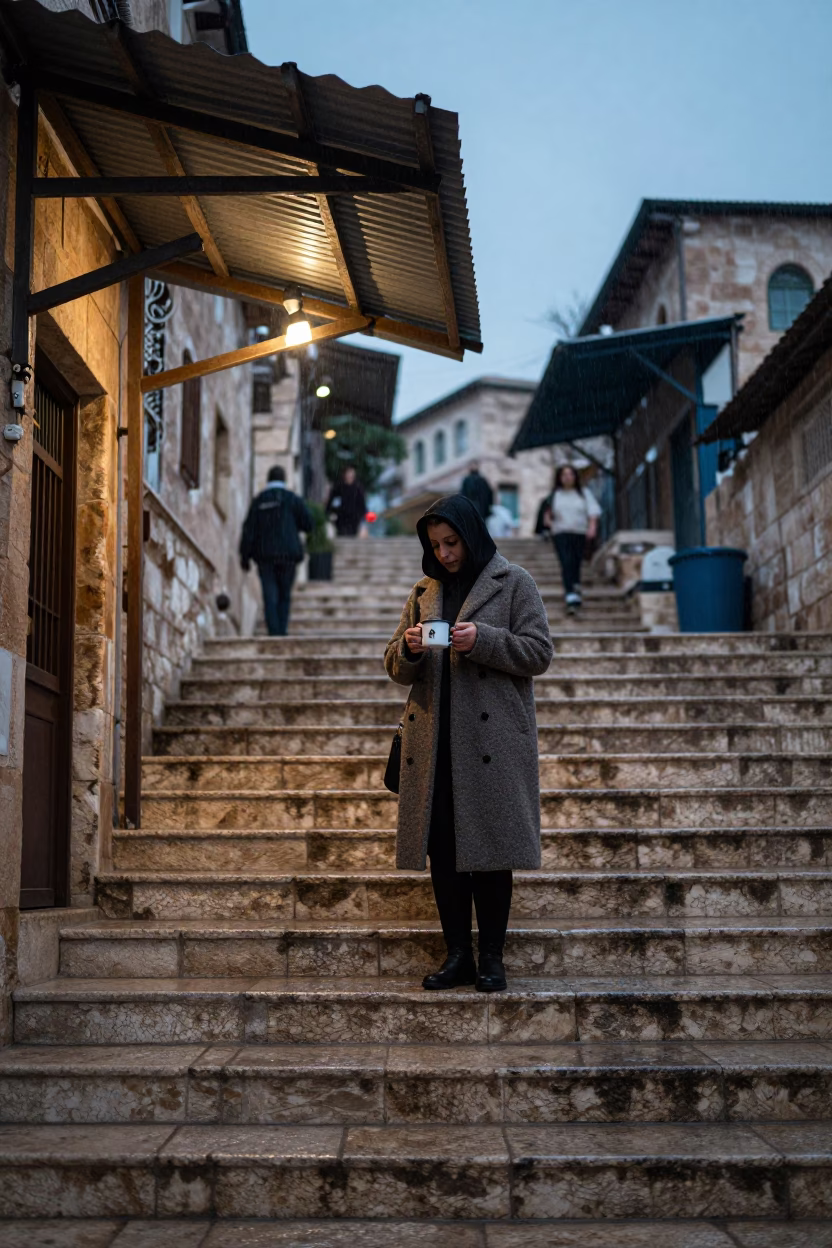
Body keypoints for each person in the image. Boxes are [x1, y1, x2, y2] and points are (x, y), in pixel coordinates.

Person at [384, 494, 553, 993]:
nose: (444, 554)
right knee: (444, 848)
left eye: (451, 542)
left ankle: (492, 958)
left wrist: (483, 639)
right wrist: (410, 648)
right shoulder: (423, 590)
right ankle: (457, 953)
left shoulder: (514, 581)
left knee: (492, 850)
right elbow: (393, 663)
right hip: (434, 741)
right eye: (435, 545)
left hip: (493, 740)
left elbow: (539, 652)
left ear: (471, 535)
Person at [240, 466, 312, 636]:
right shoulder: (292, 499)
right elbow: (308, 523)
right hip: (288, 555)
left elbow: (249, 530)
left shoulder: (259, 501)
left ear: (268, 479)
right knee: (284, 594)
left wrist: (244, 557)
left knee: (269, 595)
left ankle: (274, 632)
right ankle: (282, 631)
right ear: (284, 479)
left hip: (265, 556)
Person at [548, 464, 601, 614]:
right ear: (559, 477)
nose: (567, 477)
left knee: (576, 562)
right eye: (564, 474)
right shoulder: (555, 494)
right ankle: (570, 593)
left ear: (575, 477)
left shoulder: (583, 493)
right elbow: (547, 512)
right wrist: (549, 523)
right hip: (560, 533)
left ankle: (575, 586)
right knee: (566, 561)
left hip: (579, 532)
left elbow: (593, 511)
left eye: (570, 474)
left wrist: (592, 527)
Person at [326, 466, 366, 537]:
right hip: (341, 518)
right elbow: (331, 502)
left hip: (354, 519)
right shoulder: (338, 487)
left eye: (351, 474)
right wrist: (330, 512)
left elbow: (362, 504)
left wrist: (362, 516)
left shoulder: (358, 488)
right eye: (348, 473)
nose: (350, 476)